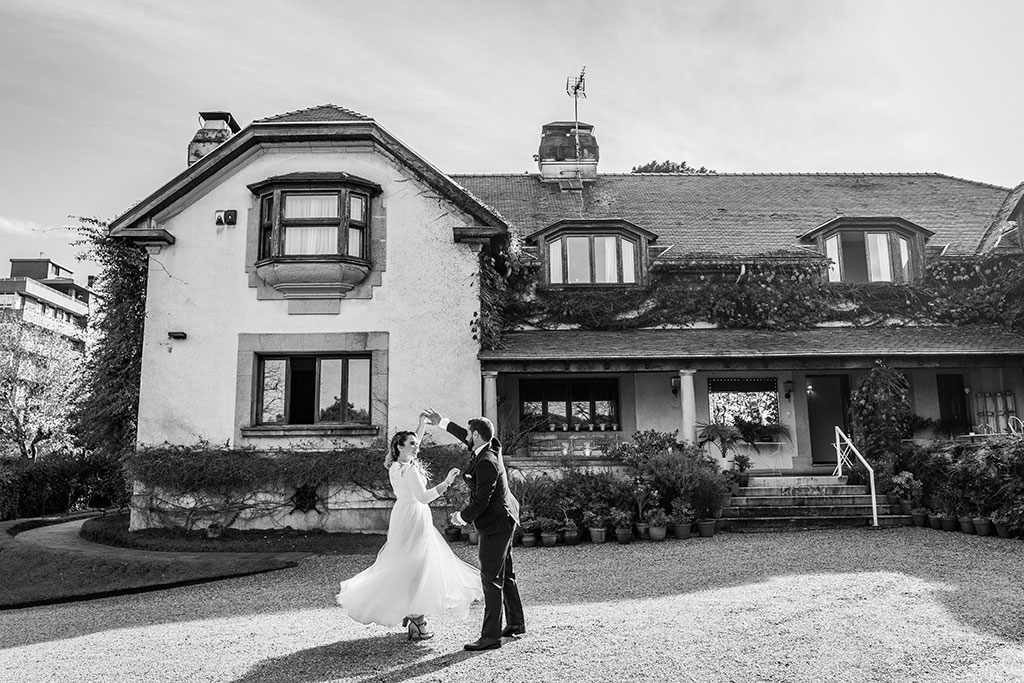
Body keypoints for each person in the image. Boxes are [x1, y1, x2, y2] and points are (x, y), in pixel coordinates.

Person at [336, 413, 483, 640]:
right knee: (418, 566)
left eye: (416, 443)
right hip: (415, 515)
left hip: (403, 515)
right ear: (400, 447)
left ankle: (413, 614)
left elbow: (415, 444)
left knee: (410, 564)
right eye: (412, 444)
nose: (417, 447)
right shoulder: (410, 469)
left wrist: (421, 425)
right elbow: (423, 498)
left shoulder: (396, 465)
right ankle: (416, 618)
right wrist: (447, 482)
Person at [423, 409, 525, 651]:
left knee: (491, 578)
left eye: (470, 434)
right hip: (506, 517)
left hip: (496, 523)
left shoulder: (487, 463)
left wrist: (460, 517)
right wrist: (443, 423)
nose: (467, 437)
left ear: (477, 435)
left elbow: (482, 502)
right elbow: (467, 437)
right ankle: (516, 623)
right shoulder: (490, 445)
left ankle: (490, 637)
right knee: (506, 572)